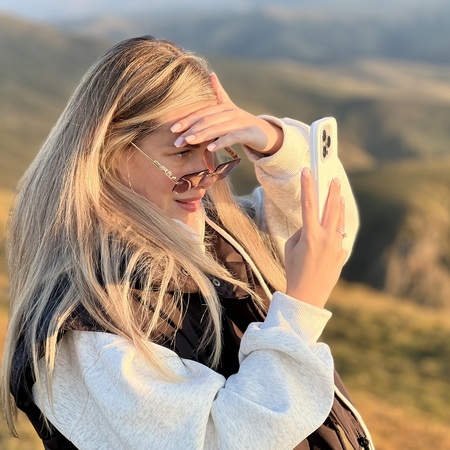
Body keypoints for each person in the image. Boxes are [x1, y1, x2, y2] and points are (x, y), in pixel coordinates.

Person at [1, 36, 373, 449]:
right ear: (110, 153)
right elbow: (217, 439)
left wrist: (272, 141)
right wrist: (299, 310)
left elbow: (329, 228)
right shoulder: (85, 325)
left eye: (214, 148)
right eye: (182, 152)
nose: (206, 175)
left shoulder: (217, 231)